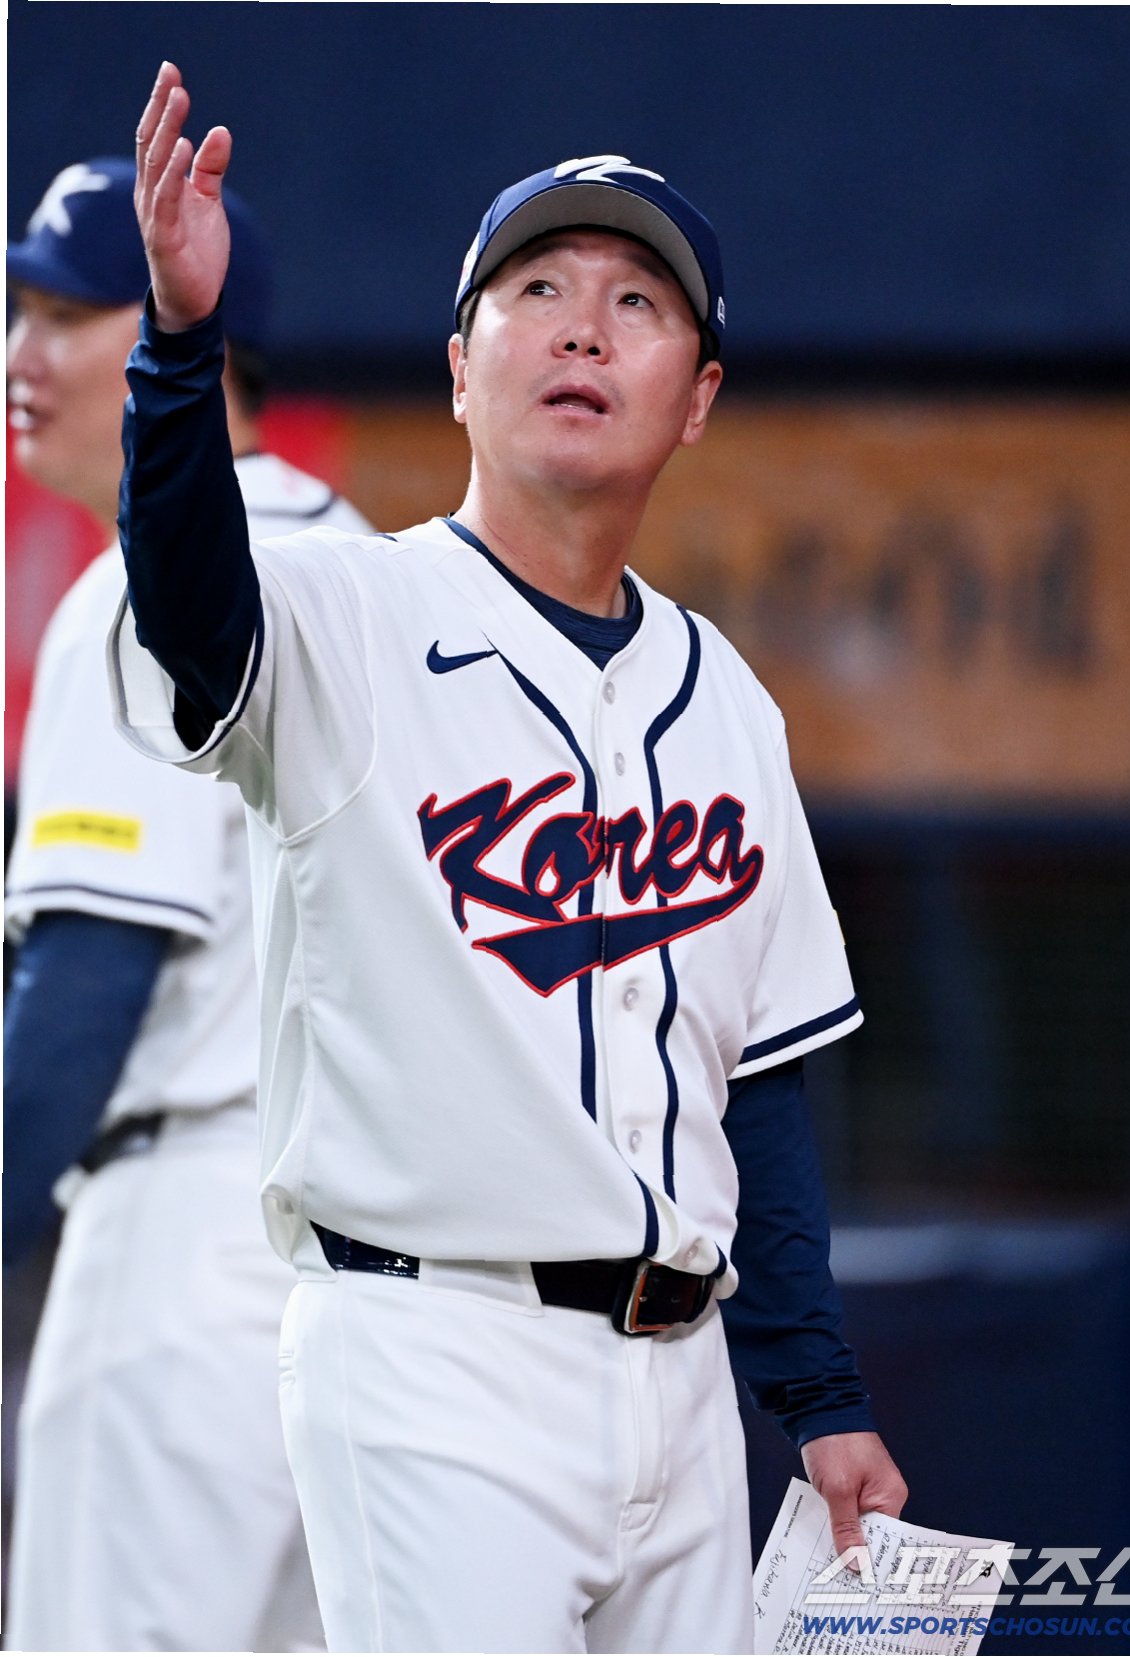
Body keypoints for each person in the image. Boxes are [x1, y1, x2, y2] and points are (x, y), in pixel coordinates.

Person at [111, 62, 908, 1655]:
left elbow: (756, 1088)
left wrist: (818, 1396)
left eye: (635, 302)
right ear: (460, 369)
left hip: (683, 1383)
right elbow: (194, 604)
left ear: (697, 397)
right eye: (536, 291)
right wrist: (181, 351)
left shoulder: (728, 703)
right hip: (433, 1348)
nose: (582, 329)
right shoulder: (344, 614)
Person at [4, 154, 371, 1652]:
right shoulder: (368, 572)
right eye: (18, 311)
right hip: (367, 1285)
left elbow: (87, 992)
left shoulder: (139, 588)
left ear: (185, 338)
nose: (21, 354)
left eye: (66, 314)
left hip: (178, 1258)